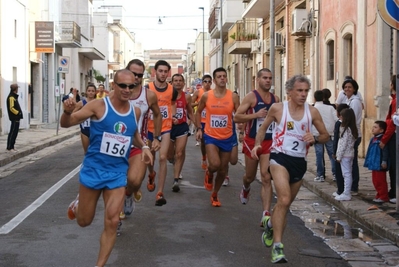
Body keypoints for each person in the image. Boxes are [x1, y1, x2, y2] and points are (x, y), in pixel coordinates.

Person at [61, 69, 153, 267]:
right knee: (84, 221)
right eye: (123, 86)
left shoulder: (135, 111)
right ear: (114, 85)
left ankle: (99, 265)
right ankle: (78, 206)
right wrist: (67, 112)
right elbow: (68, 123)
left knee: (112, 221)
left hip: (117, 173)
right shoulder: (99, 106)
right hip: (93, 170)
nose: (127, 90)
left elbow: (133, 134)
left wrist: (144, 146)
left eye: (132, 86)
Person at [250, 75, 329, 263]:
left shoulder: (313, 112)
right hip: (279, 158)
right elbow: (263, 128)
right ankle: (278, 247)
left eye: (305, 91)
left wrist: (315, 138)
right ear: (290, 92)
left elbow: (326, 135)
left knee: (284, 207)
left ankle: (270, 223)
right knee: (283, 198)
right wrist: (257, 145)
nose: (303, 94)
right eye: (299, 91)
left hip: (299, 163)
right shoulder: (278, 109)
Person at [233, 68, 279, 227]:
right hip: (252, 141)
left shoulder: (275, 98)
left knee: (266, 177)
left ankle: (265, 215)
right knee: (250, 176)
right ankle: (246, 187)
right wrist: (256, 115)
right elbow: (237, 116)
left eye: (270, 78)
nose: (268, 80)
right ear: (258, 80)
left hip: (269, 141)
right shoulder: (251, 97)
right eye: (265, 78)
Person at [195, 67, 240, 207]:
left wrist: (242, 130)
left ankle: (215, 193)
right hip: (210, 136)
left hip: (227, 136)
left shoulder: (232, 96)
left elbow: (238, 114)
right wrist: (198, 129)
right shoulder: (207, 96)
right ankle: (209, 172)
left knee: (223, 169)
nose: (222, 78)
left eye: (224, 76)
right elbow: (198, 112)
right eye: (219, 76)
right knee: (215, 164)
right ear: (214, 80)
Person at [123, 58, 162, 217]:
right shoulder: (115, 94)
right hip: (117, 143)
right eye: (133, 74)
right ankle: (115, 220)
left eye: (140, 75)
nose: (137, 78)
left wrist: (157, 137)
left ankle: (128, 194)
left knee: (135, 180)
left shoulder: (149, 96)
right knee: (115, 183)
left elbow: (158, 115)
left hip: (139, 144)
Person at [146, 60, 177, 206]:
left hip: (165, 128)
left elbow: (172, 103)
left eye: (166, 71)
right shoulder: (148, 88)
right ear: (155, 72)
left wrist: (174, 115)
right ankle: (151, 173)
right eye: (160, 71)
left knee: (163, 157)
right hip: (150, 129)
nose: (163, 74)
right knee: (150, 159)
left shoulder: (172, 90)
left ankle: (160, 192)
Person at [167, 74, 194, 192]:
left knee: (179, 153)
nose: (178, 83)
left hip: (182, 127)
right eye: (175, 81)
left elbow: (190, 112)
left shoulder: (187, 97)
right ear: (171, 83)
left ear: (183, 83)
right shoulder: (167, 96)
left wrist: (198, 127)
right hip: (168, 127)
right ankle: (173, 161)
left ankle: (176, 180)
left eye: (180, 81)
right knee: (169, 156)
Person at [342, 77, 362, 195]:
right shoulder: (349, 100)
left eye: (349, 87)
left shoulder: (355, 101)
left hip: (353, 134)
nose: (347, 89)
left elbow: (351, 119)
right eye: (345, 87)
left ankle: (354, 185)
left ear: (354, 89)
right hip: (350, 133)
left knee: (352, 161)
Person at [312, 90, 338, 182]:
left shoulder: (312, 109)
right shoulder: (330, 108)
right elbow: (336, 119)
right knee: (332, 155)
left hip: (317, 135)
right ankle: (335, 174)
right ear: (323, 98)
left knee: (319, 155)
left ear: (314, 98)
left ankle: (320, 175)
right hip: (329, 134)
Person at [380, 75, 397, 204]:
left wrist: (384, 139)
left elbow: (392, 123)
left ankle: (394, 192)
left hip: (393, 136)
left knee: (394, 166)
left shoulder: (396, 101)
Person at [335, 108, 358, 201]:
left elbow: (343, 144)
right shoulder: (352, 128)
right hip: (349, 154)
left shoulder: (346, 129)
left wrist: (339, 156)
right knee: (348, 173)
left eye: (341, 116)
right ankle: (346, 191)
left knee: (346, 174)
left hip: (345, 155)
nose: (340, 117)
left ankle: (346, 193)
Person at [364, 120, 389, 203]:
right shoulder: (373, 139)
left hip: (379, 164)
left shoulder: (382, 140)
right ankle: (379, 194)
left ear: (381, 130)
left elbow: (385, 151)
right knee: (375, 181)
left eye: (375, 127)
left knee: (380, 181)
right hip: (373, 163)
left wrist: (384, 161)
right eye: (373, 127)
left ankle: (383, 196)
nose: (373, 129)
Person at [192, 75, 213, 169]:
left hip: (211, 121)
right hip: (202, 120)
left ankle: (211, 158)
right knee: (203, 142)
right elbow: (190, 104)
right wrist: (199, 103)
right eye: (205, 81)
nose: (207, 83)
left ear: (211, 83)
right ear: (202, 83)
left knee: (212, 141)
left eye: (209, 81)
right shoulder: (198, 92)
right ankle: (204, 157)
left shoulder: (214, 93)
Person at [72, 84, 97, 153]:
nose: (91, 92)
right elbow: (73, 114)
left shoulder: (98, 103)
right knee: (87, 152)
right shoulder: (81, 103)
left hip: (96, 130)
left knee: (96, 152)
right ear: (86, 92)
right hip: (85, 130)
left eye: (92, 91)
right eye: (89, 91)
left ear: (95, 92)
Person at [332, 104, 349, 197]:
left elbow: (336, 139)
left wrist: (334, 152)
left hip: (340, 151)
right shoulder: (349, 124)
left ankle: (340, 190)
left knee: (339, 172)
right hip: (348, 152)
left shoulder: (339, 123)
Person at [6, 83, 23, 152]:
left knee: (15, 132)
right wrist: (18, 113)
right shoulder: (11, 97)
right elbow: (11, 108)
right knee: (13, 132)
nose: (18, 90)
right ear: (15, 89)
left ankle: (12, 146)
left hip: (16, 118)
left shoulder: (14, 97)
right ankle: (9, 147)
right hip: (14, 118)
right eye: (17, 88)